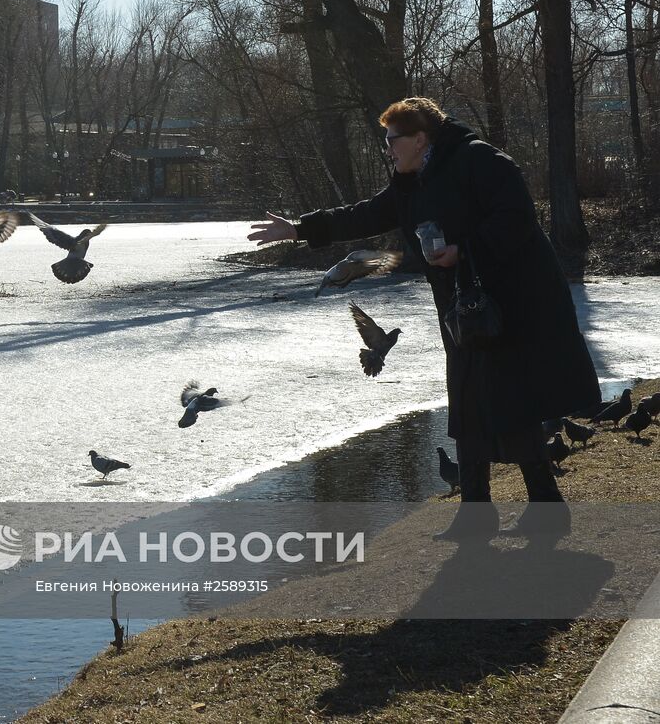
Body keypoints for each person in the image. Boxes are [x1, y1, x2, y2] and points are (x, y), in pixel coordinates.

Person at [248, 98, 599, 538]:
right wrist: (300, 229)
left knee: (510, 400)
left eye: (392, 141)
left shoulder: (479, 160)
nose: (388, 150)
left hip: (512, 302)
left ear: (420, 139)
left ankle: (542, 509)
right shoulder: (410, 181)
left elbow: (518, 218)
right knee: (470, 399)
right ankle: (484, 513)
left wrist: (463, 251)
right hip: (462, 306)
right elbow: (366, 214)